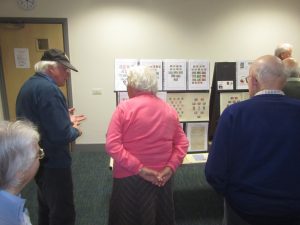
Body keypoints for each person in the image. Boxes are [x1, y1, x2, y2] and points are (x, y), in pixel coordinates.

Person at [205, 55, 300, 225]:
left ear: (254, 81)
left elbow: (214, 172)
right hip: (293, 210)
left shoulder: (234, 114)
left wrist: (233, 196)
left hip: (243, 210)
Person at [105, 66, 189, 225]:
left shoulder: (124, 108)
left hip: (129, 178)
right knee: (159, 217)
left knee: (127, 218)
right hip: (162, 178)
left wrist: (140, 169)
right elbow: (183, 143)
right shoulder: (169, 109)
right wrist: (170, 168)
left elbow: (112, 145)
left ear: (132, 86)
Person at [16, 49, 86, 225]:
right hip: (54, 161)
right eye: (65, 69)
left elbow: (41, 120)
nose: (68, 75)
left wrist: (64, 116)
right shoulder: (50, 90)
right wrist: (75, 129)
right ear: (51, 68)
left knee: (46, 206)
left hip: (37, 158)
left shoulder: (29, 85)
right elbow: (61, 135)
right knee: (63, 211)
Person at [0, 120, 42, 225]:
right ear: (20, 173)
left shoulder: (10, 202)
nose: (41, 155)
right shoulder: (8, 219)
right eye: (38, 154)